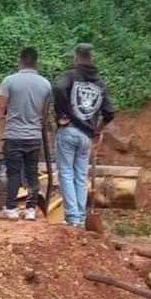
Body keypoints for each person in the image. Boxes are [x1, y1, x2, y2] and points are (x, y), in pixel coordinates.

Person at [53, 43, 115, 226]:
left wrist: (62, 114)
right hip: (86, 136)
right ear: (91, 57)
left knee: (65, 173)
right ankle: (79, 218)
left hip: (69, 129)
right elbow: (110, 112)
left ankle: (72, 218)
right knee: (80, 176)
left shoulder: (71, 76)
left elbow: (57, 89)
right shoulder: (100, 84)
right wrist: (98, 129)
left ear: (76, 56)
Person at [0, 47, 51, 221]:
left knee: (13, 173)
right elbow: (45, 114)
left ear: (20, 60)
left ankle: (11, 209)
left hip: (14, 136)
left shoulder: (9, 81)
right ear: (36, 62)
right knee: (32, 173)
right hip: (34, 137)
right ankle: (31, 210)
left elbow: (0, 108)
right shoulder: (46, 85)